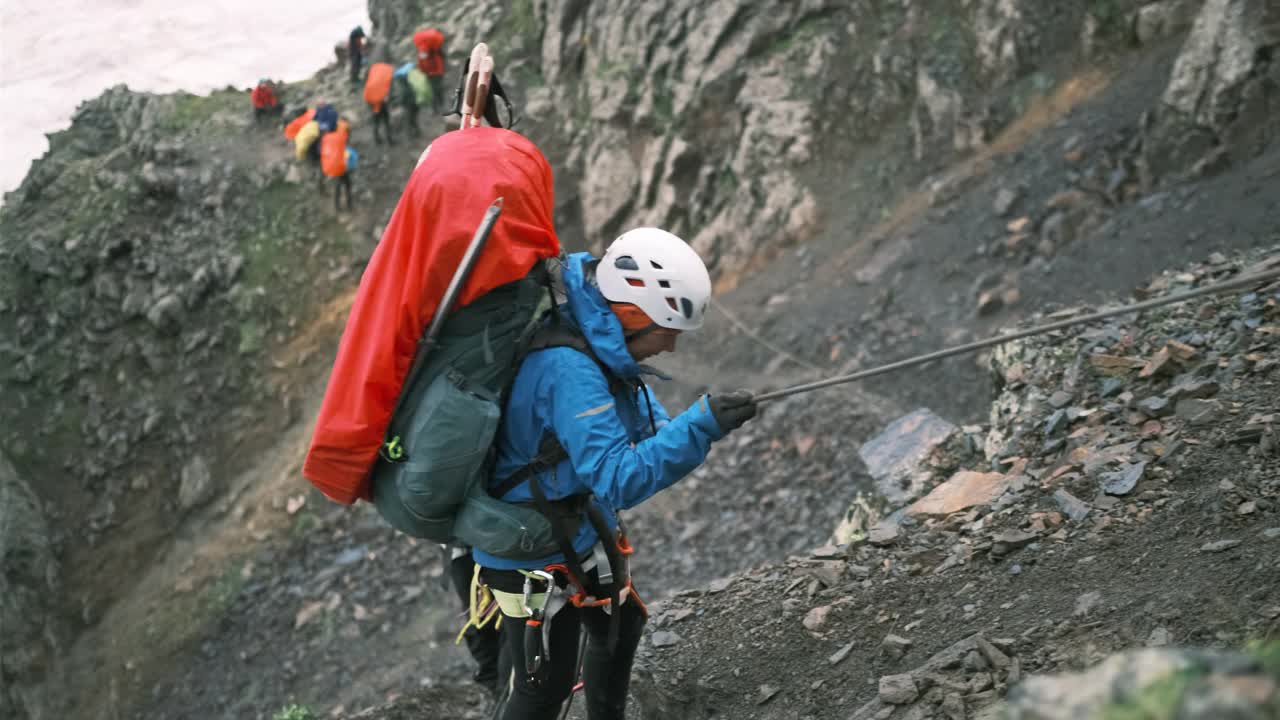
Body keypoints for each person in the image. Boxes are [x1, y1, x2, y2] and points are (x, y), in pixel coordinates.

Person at [474, 228, 759, 719]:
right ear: (632, 313)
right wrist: (700, 427)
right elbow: (617, 477)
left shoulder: (602, 349)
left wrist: (701, 423)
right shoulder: (571, 370)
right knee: (546, 686)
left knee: (619, 625)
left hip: (571, 523)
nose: (669, 345)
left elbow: (650, 431)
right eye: (665, 329)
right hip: (532, 547)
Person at [413, 28, 447, 114]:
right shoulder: (432, 52)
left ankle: (438, 107)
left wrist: (428, 72)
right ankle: (438, 107)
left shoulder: (429, 53)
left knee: (435, 90)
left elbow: (422, 65)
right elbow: (422, 66)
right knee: (436, 90)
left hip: (433, 75)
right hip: (434, 75)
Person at [363, 62, 395, 145]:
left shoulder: (370, 85)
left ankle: (377, 139)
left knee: (376, 122)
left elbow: (367, 98)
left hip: (374, 106)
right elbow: (387, 93)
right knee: (386, 122)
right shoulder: (382, 82)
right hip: (382, 104)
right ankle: (390, 139)